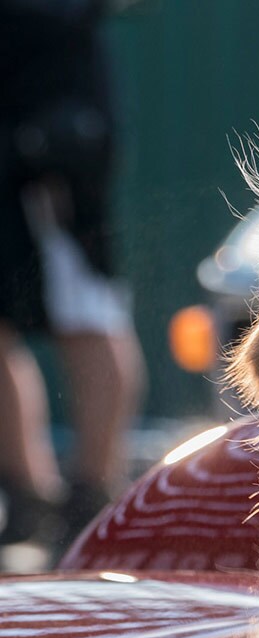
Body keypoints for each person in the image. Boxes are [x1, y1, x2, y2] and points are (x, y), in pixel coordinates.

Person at [0, 0, 145, 551]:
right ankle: (26, 495)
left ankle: (93, 502)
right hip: (11, 131)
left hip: (55, 132)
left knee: (86, 310)